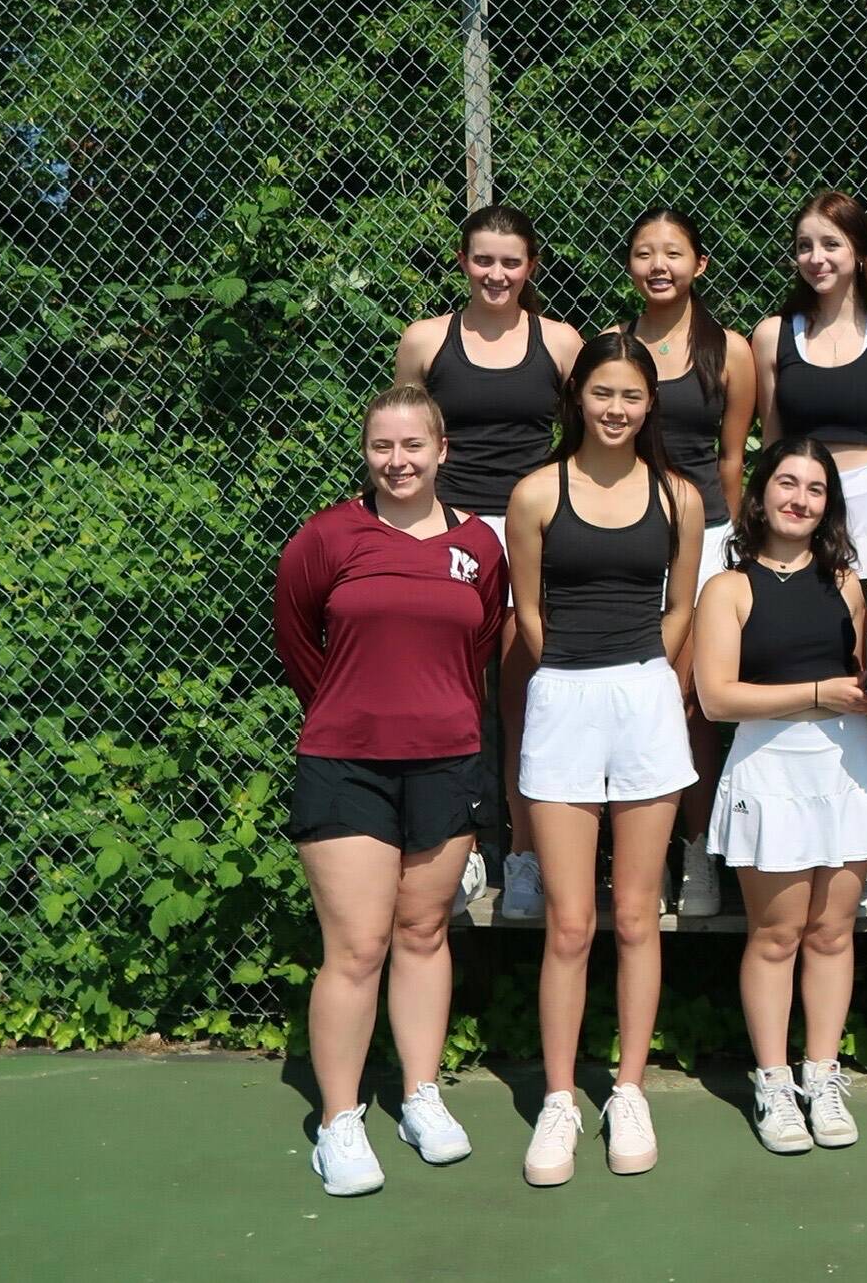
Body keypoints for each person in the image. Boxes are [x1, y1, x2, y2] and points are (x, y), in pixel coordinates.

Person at [273, 385, 507, 1196]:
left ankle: (419, 1095)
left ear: (443, 451)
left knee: (422, 935)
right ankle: (339, 1121)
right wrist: (356, 712)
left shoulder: (479, 546)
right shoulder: (328, 537)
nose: (398, 462)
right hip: (346, 762)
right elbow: (299, 641)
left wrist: (426, 716)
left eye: (413, 447)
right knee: (358, 947)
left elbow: (479, 643)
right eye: (383, 447)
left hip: (447, 762)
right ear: (366, 453)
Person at [503, 333, 704, 1186]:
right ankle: (558, 1100)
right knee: (572, 923)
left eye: (630, 396)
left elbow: (680, 611)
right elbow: (528, 615)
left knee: (635, 917)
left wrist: (633, 672)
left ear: (649, 403)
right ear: (576, 398)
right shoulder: (535, 493)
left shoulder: (681, 497)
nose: (615, 410)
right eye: (601, 394)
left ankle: (627, 1089)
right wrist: (578, 669)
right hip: (563, 705)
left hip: (646, 702)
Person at [693, 438, 867, 1154]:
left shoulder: (848, 582)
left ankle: (822, 1072)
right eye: (787, 482)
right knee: (776, 936)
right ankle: (774, 1083)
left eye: (815, 489)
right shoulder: (727, 587)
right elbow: (717, 697)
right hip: (768, 774)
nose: (799, 499)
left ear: (827, 507)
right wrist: (817, 694)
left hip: (846, 770)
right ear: (760, 493)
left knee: (832, 934)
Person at [394, 204, 583, 923]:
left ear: (530, 266)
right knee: (453, 702)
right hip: (449, 535)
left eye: (510, 261)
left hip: (536, 534)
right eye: (482, 259)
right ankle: (462, 851)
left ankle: (526, 860)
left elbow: (592, 434)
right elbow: (404, 442)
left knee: (527, 700)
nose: (496, 273)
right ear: (462, 262)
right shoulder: (426, 340)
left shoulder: (562, 343)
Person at [753, 189, 867, 914]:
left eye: (830, 244)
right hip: (802, 509)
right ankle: (824, 842)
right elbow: (770, 441)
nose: (815, 258)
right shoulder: (770, 336)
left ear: (859, 253)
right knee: (817, 666)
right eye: (804, 245)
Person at [614, 207, 758, 918]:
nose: (658, 265)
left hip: (707, 538)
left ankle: (696, 850)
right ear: (631, 266)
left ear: (699, 265)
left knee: (691, 699)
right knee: (634, 697)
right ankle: (637, 859)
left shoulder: (730, 351)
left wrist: (725, 546)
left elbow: (732, 457)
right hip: (625, 536)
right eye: (644, 253)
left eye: (673, 253)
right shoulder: (609, 347)